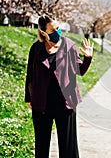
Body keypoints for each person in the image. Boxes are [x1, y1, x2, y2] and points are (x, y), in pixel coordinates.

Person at [25, 15, 93, 158]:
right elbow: (30, 74)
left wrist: (88, 58)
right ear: (43, 33)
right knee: (41, 146)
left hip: (65, 103)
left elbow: (80, 71)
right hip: (42, 103)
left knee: (69, 147)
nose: (57, 32)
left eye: (58, 28)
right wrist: (28, 97)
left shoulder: (68, 45)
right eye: (53, 30)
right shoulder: (36, 48)